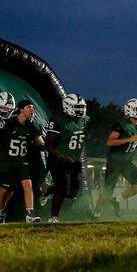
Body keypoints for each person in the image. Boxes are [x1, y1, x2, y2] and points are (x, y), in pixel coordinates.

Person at [0, 99, 45, 224]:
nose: (32, 110)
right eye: (29, 107)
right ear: (21, 109)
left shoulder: (31, 126)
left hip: (22, 161)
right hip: (7, 161)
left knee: (28, 184)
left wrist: (43, 143)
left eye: (32, 107)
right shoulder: (9, 123)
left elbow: (41, 143)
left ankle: (30, 214)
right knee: (6, 189)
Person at [96, 99, 137, 216]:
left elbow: (135, 140)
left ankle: (117, 199)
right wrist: (129, 140)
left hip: (126, 161)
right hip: (114, 161)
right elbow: (110, 142)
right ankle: (96, 212)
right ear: (129, 110)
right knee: (107, 191)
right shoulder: (121, 124)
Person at [45, 93, 90, 223]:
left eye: (82, 107)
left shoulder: (85, 119)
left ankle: (48, 190)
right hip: (57, 159)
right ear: (68, 107)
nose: (80, 110)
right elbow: (48, 145)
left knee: (73, 192)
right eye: (77, 107)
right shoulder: (57, 120)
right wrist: (62, 157)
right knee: (62, 188)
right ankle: (53, 217)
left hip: (74, 160)